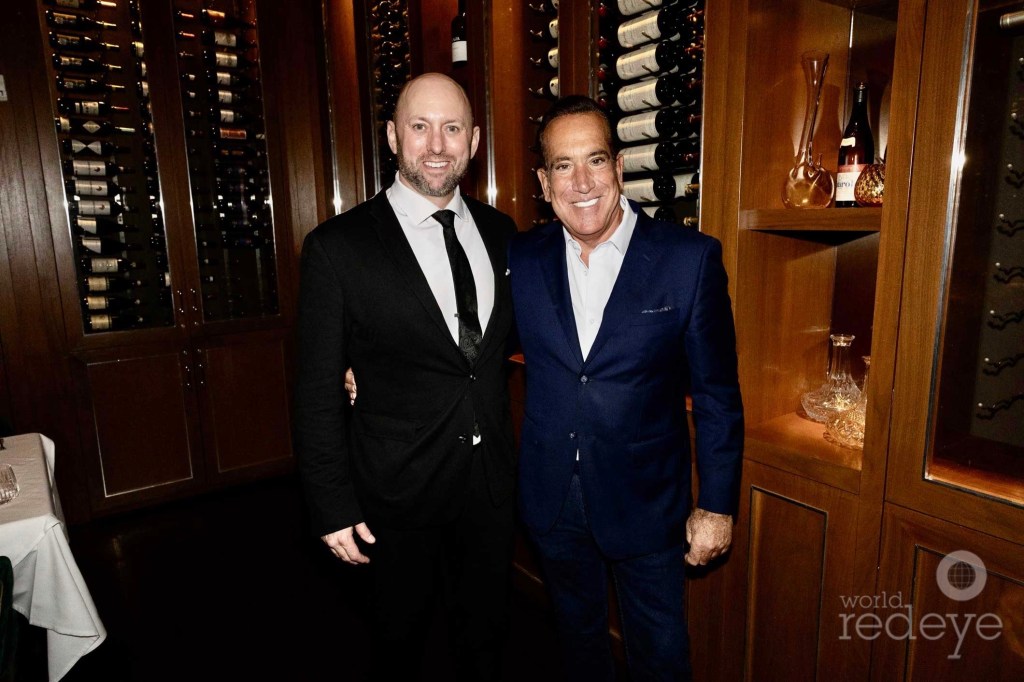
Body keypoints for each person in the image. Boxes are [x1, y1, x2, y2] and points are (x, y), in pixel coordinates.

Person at [508, 95, 744, 681]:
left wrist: (715, 504)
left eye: (595, 159)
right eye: (563, 165)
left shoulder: (688, 259)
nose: (581, 181)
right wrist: (369, 363)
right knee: (579, 644)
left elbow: (717, 394)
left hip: (646, 502)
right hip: (551, 496)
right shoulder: (523, 257)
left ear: (619, 166)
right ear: (543, 180)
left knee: (660, 653)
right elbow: (467, 342)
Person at [292, 72, 518, 681]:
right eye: (420, 127)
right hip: (394, 493)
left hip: (491, 487)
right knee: (400, 647)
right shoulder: (337, 248)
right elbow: (314, 391)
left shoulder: (503, 235)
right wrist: (331, 504)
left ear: (474, 142)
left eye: (452, 128)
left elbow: (501, 348)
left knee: (486, 638)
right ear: (394, 137)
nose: (436, 144)